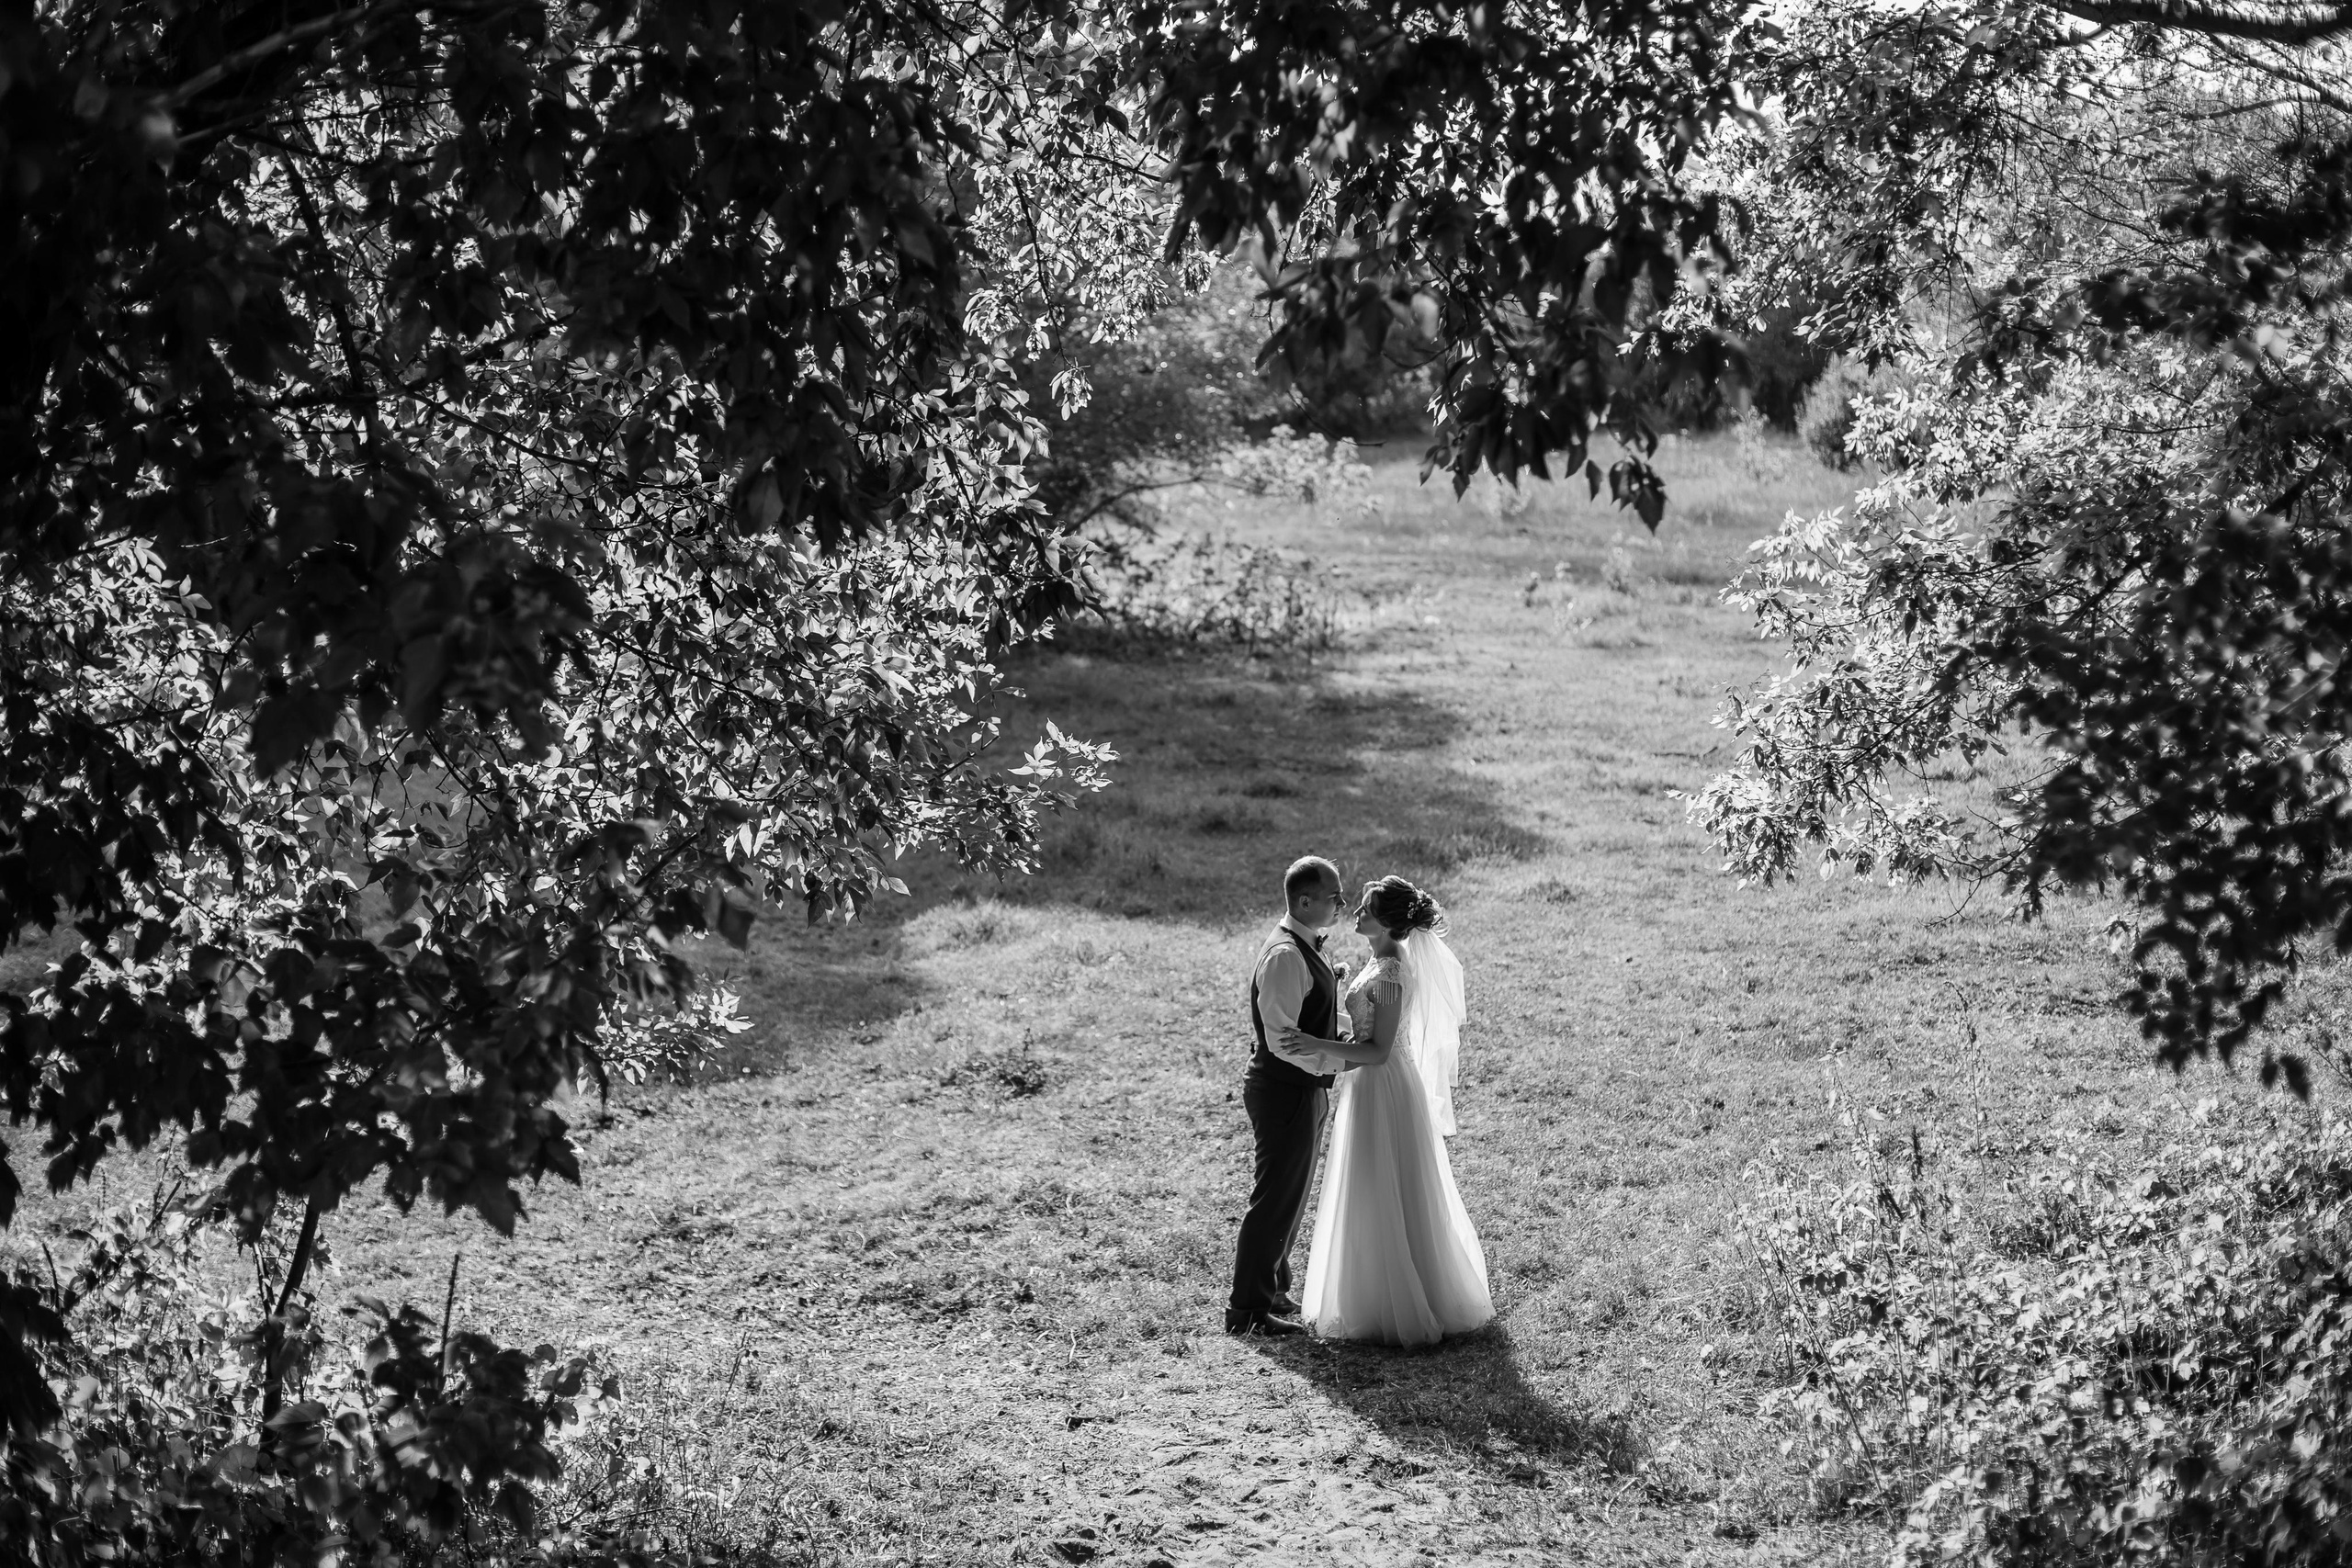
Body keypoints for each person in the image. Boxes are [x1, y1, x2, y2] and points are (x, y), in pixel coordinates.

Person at [1280, 875, 1493, 1347]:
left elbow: (1377, 1051)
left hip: (1386, 1086)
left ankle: (1410, 1299)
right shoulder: (1378, 960)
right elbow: (1364, 1025)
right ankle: (1370, 1293)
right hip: (1367, 1086)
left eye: (1366, 910)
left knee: (1390, 1185)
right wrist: (1319, 1021)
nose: (1355, 914)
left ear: (1389, 922)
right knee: (1369, 1185)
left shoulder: (1393, 972)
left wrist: (1314, 1043)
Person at [1226, 855, 1351, 1337]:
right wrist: (1347, 1058)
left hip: (1306, 1089)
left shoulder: (1306, 946)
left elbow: (1310, 1022)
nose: (1342, 904)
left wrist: (1350, 1032)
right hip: (1284, 1090)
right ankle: (1248, 1310)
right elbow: (1283, 1039)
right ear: (1304, 901)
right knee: (1275, 1198)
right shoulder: (1284, 956)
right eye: (1334, 896)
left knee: (1294, 1196)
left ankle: (1275, 1286)